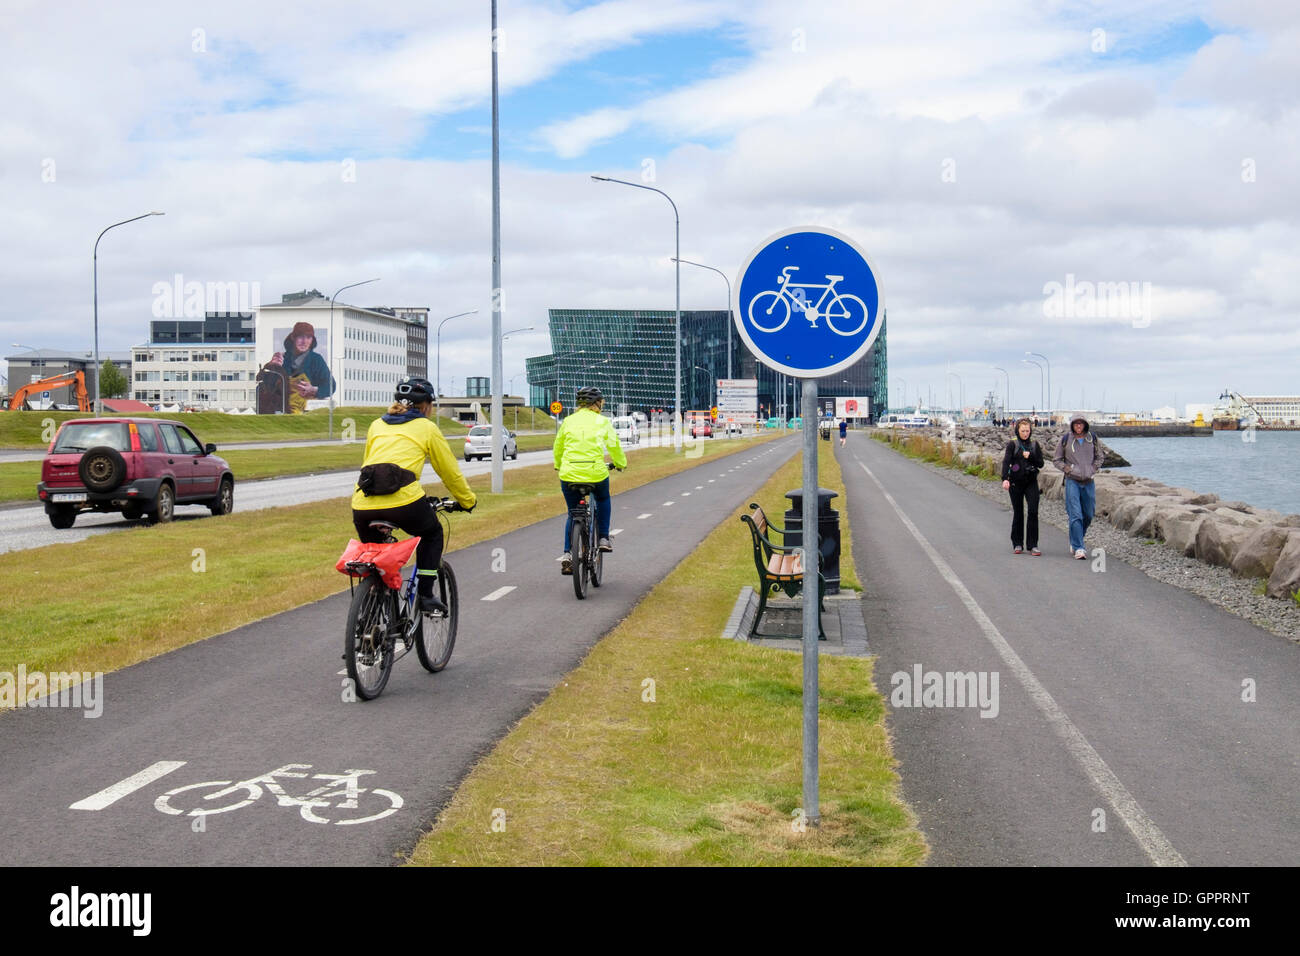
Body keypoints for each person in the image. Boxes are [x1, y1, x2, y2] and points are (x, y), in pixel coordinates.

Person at [351, 376, 476, 613]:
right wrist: (467, 500)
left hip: (363, 505)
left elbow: (369, 463)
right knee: (432, 534)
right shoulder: (427, 427)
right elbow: (448, 471)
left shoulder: (376, 425)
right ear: (426, 405)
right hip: (405, 503)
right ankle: (427, 595)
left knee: (375, 556)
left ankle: (372, 607)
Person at [554, 386, 627, 575]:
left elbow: (558, 447)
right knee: (603, 499)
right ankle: (603, 538)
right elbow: (614, 445)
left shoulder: (567, 421)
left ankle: (568, 555)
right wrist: (620, 463)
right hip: (595, 473)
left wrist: (558, 464)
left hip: (569, 473)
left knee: (573, 513)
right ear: (598, 403)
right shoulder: (602, 421)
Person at [1053, 414, 1105, 560]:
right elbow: (1056, 459)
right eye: (1076, 424)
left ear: (1085, 425)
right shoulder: (1065, 440)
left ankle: (1076, 539)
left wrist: (1093, 469)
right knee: (1075, 514)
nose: (1078, 426)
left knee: (1088, 514)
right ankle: (1079, 548)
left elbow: (1100, 457)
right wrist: (1068, 469)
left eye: (1081, 423)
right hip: (1072, 481)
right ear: (1072, 425)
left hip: (1088, 481)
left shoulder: (1092, 439)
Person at [269, 321, 334, 413]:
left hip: (309, 409)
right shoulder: (281, 358)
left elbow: (331, 385)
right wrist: (272, 368)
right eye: (300, 337)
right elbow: (268, 386)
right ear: (293, 338)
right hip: (283, 409)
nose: (304, 341)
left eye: (308, 337)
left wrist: (313, 390)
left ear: (312, 340)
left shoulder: (316, 360)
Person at [1000, 418, 1044, 555]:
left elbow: (1040, 463)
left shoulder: (1035, 445)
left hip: (1031, 482)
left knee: (1033, 511)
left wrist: (1030, 456)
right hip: (1015, 482)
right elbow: (1006, 462)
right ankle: (1017, 543)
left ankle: (1033, 545)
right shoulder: (1012, 445)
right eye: (1023, 431)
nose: (1025, 433)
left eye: (1027, 431)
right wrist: (1005, 479)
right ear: (1018, 431)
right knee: (1018, 512)